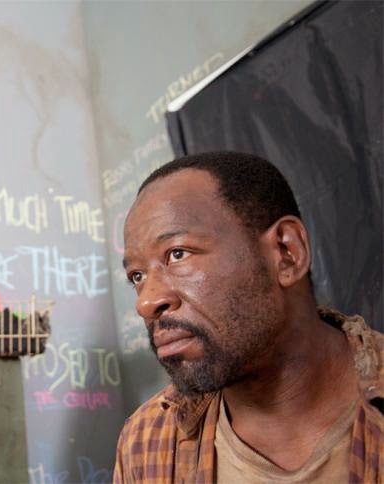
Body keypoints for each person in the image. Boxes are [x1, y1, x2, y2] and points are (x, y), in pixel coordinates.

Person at [115, 151, 382, 483]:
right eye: (137, 276)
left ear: (287, 253)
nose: (146, 302)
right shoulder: (146, 440)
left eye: (178, 254)